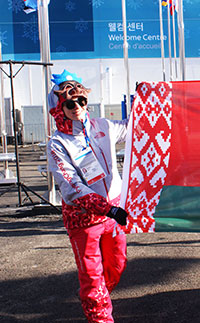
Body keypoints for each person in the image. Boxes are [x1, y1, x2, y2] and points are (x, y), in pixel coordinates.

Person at [47, 70, 129, 322]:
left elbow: (133, 130)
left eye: (81, 101)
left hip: (113, 217)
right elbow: (72, 186)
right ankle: (98, 312)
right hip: (84, 222)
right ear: (59, 109)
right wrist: (105, 208)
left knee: (116, 267)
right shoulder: (58, 144)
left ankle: (97, 297)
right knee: (93, 280)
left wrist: (148, 102)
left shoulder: (102, 126)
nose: (78, 107)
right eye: (70, 103)